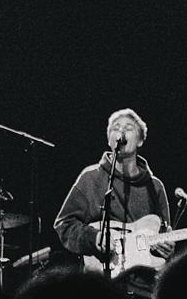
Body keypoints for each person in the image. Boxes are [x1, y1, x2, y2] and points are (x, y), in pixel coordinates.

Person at [54, 108, 173, 269]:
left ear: (140, 140)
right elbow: (64, 224)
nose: (121, 131)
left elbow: (164, 237)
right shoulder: (91, 178)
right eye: (116, 128)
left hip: (143, 279)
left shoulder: (155, 187)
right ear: (109, 140)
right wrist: (94, 238)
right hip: (100, 278)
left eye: (129, 128)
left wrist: (166, 248)